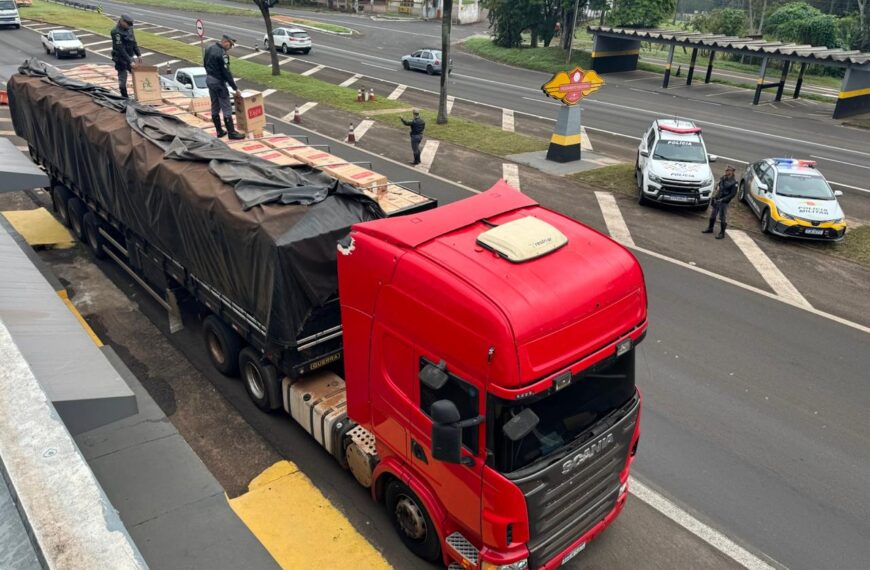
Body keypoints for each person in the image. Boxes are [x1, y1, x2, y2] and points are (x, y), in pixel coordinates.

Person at [204, 34, 244, 140]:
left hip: (209, 79)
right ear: (226, 42)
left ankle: (219, 131)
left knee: (215, 105)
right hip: (218, 82)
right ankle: (232, 133)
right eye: (230, 45)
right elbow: (227, 73)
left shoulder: (209, 48)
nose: (230, 48)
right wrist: (235, 88)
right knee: (226, 107)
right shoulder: (222, 54)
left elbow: (205, 63)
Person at [703, 165, 738, 239]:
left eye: (728, 170)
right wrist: (716, 189)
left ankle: (722, 233)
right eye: (726, 170)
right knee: (713, 215)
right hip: (717, 198)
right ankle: (710, 228)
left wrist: (723, 199)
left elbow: (732, 194)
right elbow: (718, 186)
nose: (726, 171)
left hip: (724, 202)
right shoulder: (723, 178)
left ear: (731, 172)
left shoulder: (734, 183)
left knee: (722, 217)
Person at [110, 15, 141, 99]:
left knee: (138, 75)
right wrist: (130, 62)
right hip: (120, 58)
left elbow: (133, 42)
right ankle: (125, 97)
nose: (129, 26)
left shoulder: (130, 28)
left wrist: (138, 54)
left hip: (130, 56)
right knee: (123, 79)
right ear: (122, 21)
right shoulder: (116, 32)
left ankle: (141, 94)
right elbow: (120, 49)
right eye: (128, 24)